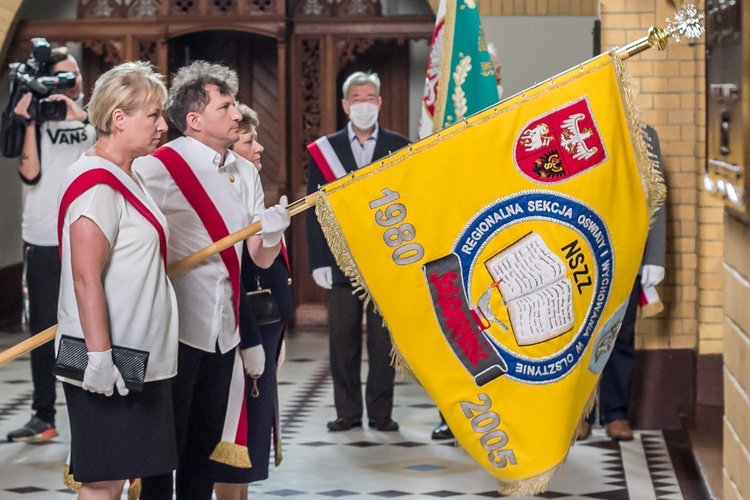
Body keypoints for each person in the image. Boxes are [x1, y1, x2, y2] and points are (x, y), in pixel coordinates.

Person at [135, 61, 290, 500]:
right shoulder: (160, 166)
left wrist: (273, 234)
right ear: (194, 120)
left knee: (205, 451)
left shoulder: (243, 172)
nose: (237, 114)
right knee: (168, 446)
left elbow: (256, 259)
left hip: (224, 329)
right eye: (226, 107)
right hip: (179, 329)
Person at [55, 61, 177, 499]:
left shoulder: (130, 173)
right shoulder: (96, 185)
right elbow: (86, 278)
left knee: (127, 474)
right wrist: (100, 357)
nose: (163, 125)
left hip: (135, 351)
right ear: (119, 118)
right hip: (109, 356)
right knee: (104, 480)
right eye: (153, 115)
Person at [306, 71, 409, 432]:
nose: (364, 105)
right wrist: (318, 260)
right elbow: (315, 209)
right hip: (340, 260)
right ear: (345, 105)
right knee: (342, 341)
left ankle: (382, 413)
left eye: (370, 98)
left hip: (386, 258)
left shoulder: (400, 146)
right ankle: (347, 413)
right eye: (357, 99)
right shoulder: (325, 150)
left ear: (379, 103)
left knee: (384, 343)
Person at [6, 47, 96, 443]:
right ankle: (43, 415)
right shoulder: (38, 119)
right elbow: (29, 173)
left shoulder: (96, 115)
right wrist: (27, 121)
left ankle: (86, 412)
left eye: (73, 75)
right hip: (43, 236)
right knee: (44, 330)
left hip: (86, 234)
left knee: (85, 326)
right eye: (60, 76)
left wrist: (85, 116)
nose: (69, 82)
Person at [214, 103, 294, 499]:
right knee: (234, 436)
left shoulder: (248, 184)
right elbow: (242, 271)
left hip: (264, 324)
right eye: (249, 140)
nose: (260, 148)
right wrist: (250, 340)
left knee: (249, 442)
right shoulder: (225, 188)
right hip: (243, 325)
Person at [577, 124, 666, 441]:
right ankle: (581, 414)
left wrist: (655, 256)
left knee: (621, 332)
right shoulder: (577, 127)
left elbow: (655, 196)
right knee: (582, 333)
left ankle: (616, 414)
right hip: (584, 248)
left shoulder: (643, 134)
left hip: (628, 248)